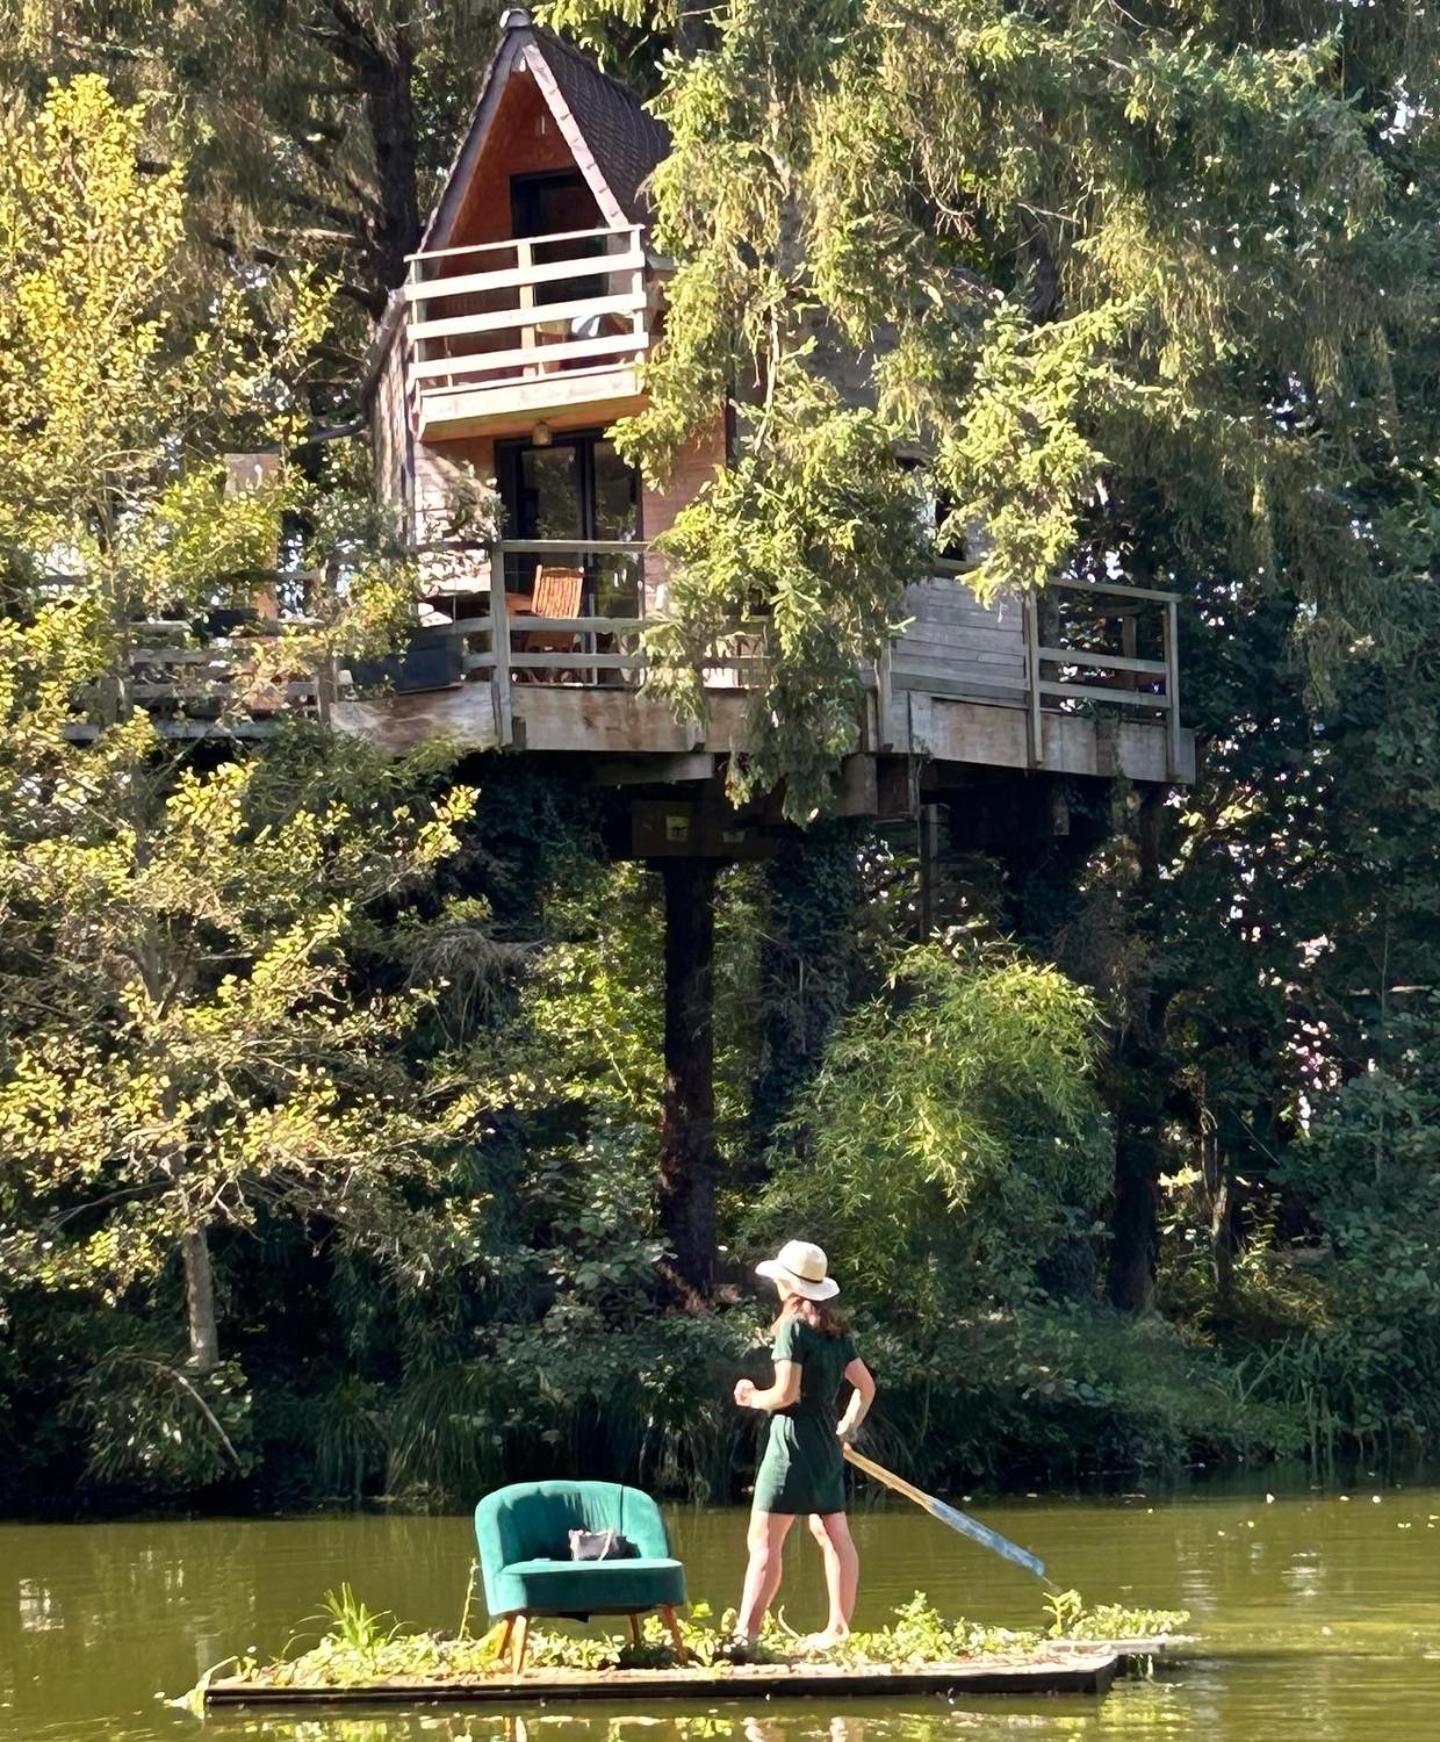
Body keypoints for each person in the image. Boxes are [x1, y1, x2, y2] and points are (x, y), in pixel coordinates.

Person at [732, 1239, 876, 1650]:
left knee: (763, 1541)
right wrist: (844, 1430)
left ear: (788, 1284)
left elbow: (785, 1395)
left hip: (792, 1443)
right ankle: (837, 1631)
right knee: (832, 1532)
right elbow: (866, 1388)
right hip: (825, 1443)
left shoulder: (793, 1327)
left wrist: (750, 1397)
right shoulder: (835, 1330)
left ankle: (747, 1635)